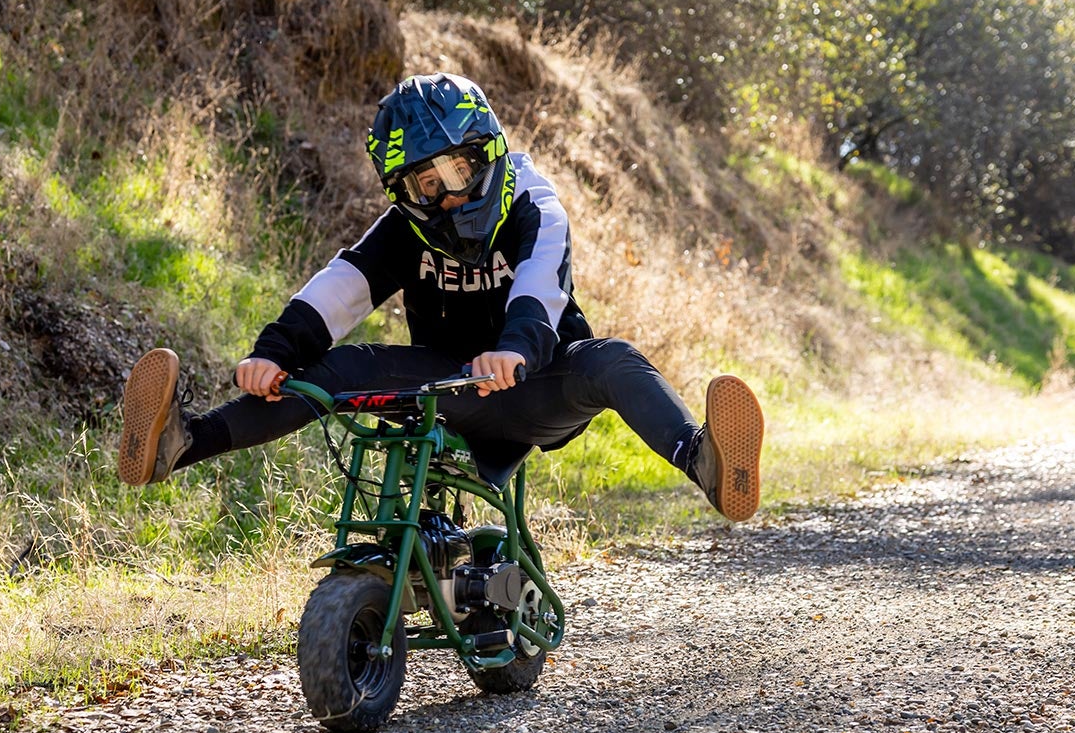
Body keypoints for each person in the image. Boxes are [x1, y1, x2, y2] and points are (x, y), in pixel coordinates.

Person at [114, 73, 764, 520]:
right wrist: (272, 353)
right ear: (402, 192)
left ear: (487, 153)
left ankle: (701, 459)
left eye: (457, 170)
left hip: (539, 385)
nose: (447, 195)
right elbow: (342, 288)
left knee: (613, 358)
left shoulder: (536, 205)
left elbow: (539, 292)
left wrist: (512, 351)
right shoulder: (406, 228)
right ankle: (180, 443)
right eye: (424, 184)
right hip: (445, 388)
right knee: (333, 369)